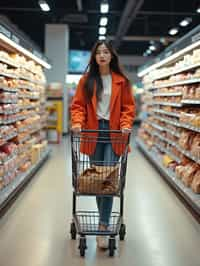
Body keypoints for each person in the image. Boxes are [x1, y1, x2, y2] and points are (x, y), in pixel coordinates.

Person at [70, 40, 135, 249]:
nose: (102, 55)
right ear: (94, 57)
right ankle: (103, 223)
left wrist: (125, 125)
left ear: (112, 56)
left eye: (106, 52)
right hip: (92, 132)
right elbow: (78, 105)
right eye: (98, 52)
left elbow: (128, 107)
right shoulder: (86, 81)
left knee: (109, 180)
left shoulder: (121, 81)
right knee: (99, 180)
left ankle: (103, 225)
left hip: (115, 133)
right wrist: (77, 123)